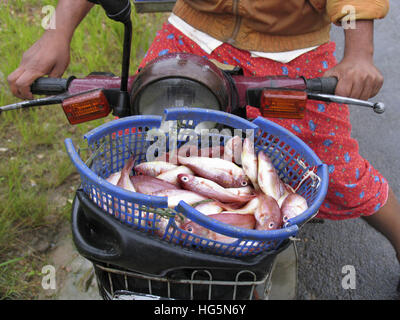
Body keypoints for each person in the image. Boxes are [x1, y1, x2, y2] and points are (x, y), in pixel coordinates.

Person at [7, 0, 400, 291]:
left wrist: (359, 54)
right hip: (190, 37)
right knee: (138, 144)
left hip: (293, 50)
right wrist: (56, 31)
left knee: (337, 172)